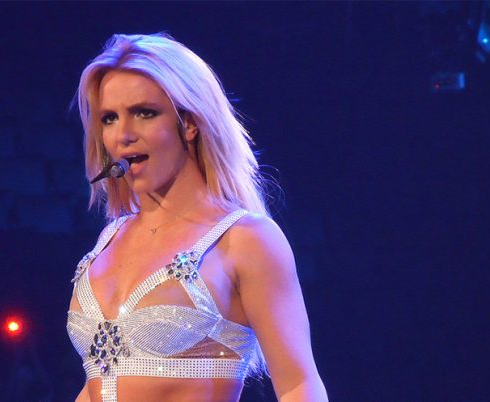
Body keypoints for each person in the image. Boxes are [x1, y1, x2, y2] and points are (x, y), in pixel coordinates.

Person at [67, 33, 328, 402]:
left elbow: (299, 385)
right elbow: (102, 381)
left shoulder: (245, 239)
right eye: (109, 118)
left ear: (189, 123)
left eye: (144, 113)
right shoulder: (110, 238)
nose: (123, 135)